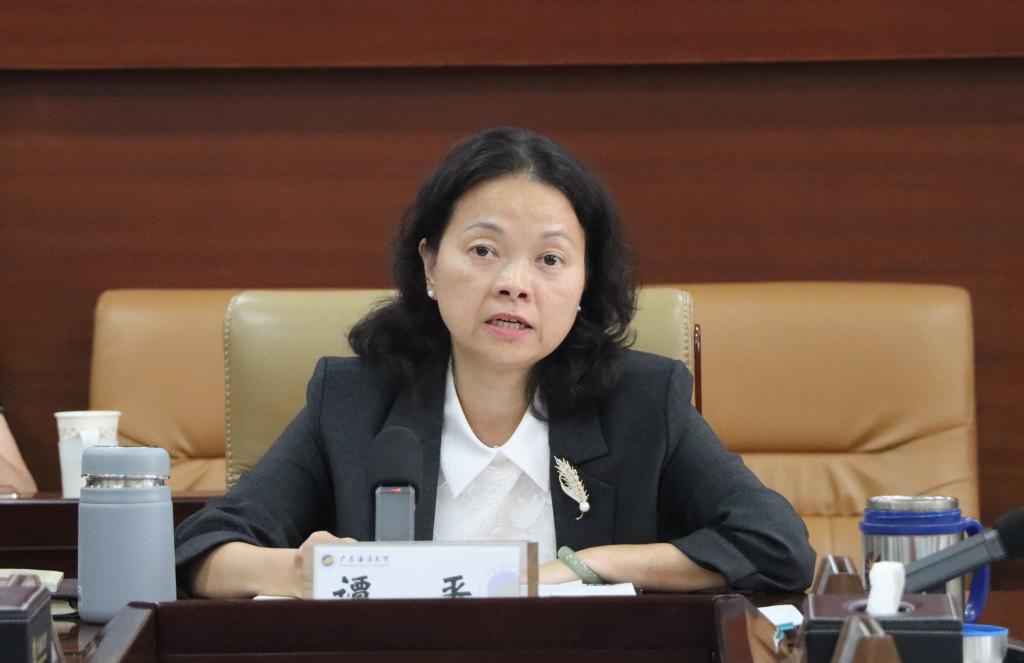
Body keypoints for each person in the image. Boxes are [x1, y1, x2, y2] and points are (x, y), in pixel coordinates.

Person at [175, 127, 815, 598]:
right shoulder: (352, 401)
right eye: (484, 250)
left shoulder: (644, 402)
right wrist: (299, 571)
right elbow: (198, 552)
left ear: (584, 284)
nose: (514, 284)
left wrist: (589, 566)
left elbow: (776, 546)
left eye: (550, 259)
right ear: (430, 265)